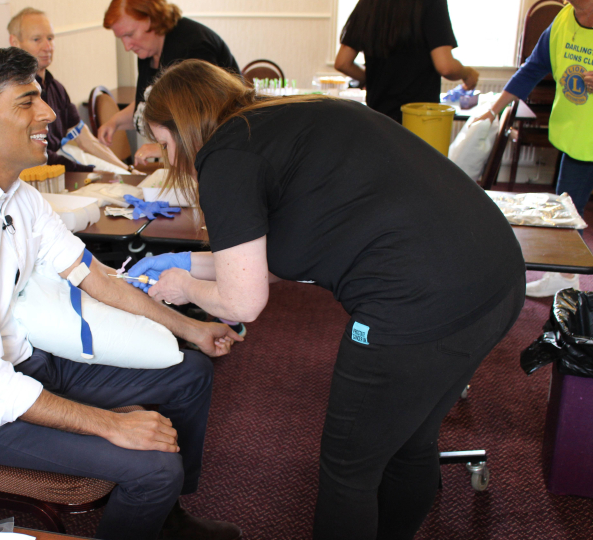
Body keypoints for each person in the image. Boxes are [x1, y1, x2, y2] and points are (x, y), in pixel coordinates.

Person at [127, 59, 525, 540]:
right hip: (494, 276)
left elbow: (243, 302)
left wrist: (181, 288)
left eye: (166, 144)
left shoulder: (225, 156)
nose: (170, 161)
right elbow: (262, 262)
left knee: (348, 470)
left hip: (417, 300)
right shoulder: (285, 120)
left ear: (186, 126)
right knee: (409, 444)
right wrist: (188, 266)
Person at [0, 48, 243, 540]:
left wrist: (192, 327)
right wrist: (111, 425)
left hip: (30, 364)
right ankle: (153, 497)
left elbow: (95, 278)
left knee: (190, 374)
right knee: (154, 468)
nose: (49, 113)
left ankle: (163, 517)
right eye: (26, 102)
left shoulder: (19, 196)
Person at [473, 0, 593, 297]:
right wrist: (494, 108)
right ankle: (563, 278)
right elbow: (533, 69)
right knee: (567, 211)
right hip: (578, 137)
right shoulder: (564, 19)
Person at [99, 0, 239, 168]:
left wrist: (163, 148)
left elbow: (202, 122)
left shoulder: (193, 47)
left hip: (224, 156)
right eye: (121, 38)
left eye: (129, 34)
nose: (127, 46)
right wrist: (115, 122)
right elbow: (146, 104)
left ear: (152, 19)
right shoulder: (148, 51)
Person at [8, 8, 134, 174]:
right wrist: (92, 172)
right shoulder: (14, 93)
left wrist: (127, 169)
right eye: (37, 39)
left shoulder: (56, 88)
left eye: (50, 38)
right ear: (15, 42)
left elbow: (86, 139)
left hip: (64, 169)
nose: (47, 47)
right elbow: (39, 156)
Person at [334, 0, 479, 123]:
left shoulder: (370, 3)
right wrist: (467, 73)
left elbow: (342, 62)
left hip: (379, 119)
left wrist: (371, 78)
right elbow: (446, 67)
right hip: (419, 120)